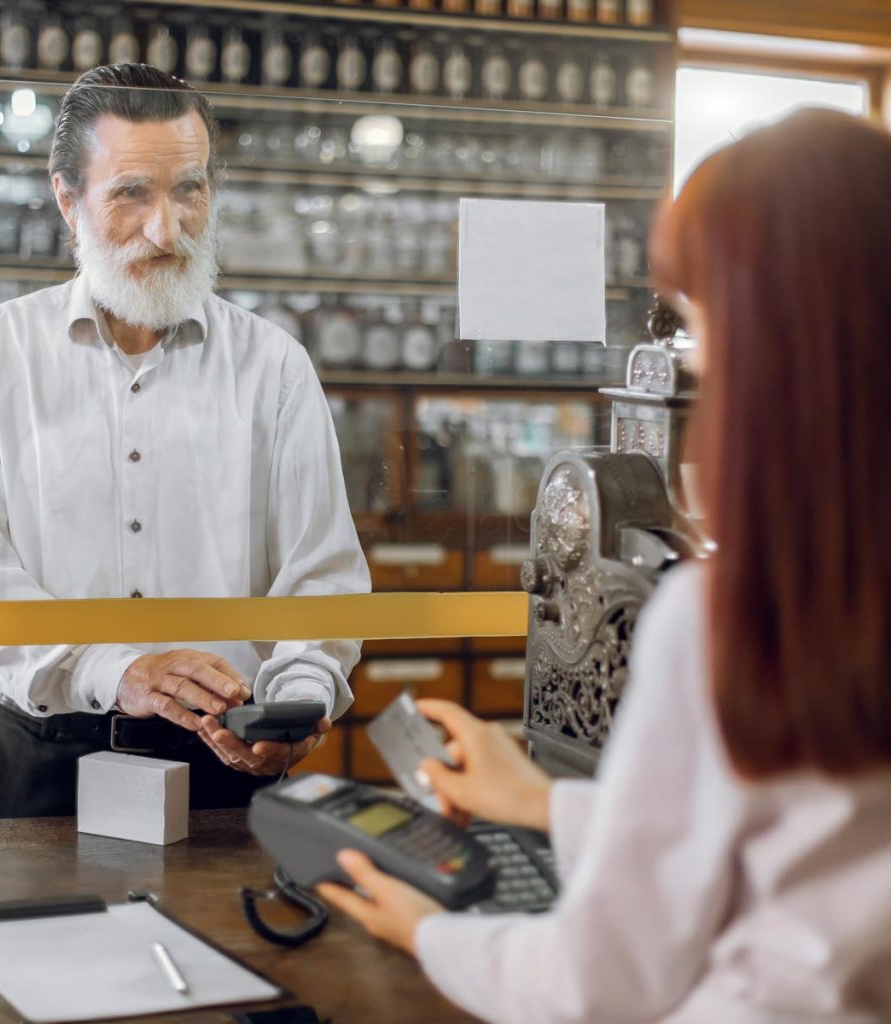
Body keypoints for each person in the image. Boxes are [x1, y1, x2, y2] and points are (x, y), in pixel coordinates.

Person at [318, 108, 891, 1022]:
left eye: (705, 331)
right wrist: (551, 804)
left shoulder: (727, 622)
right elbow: (799, 839)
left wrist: (426, 930)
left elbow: (599, 988)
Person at [0, 64, 370, 821]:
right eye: (132, 193)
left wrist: (296, 699)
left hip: (223, 759)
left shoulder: (273, 366)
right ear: (68, 199)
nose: (167, 229)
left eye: (188, 190)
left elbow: (320, 576)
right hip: (34, 762)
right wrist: (111, 669)